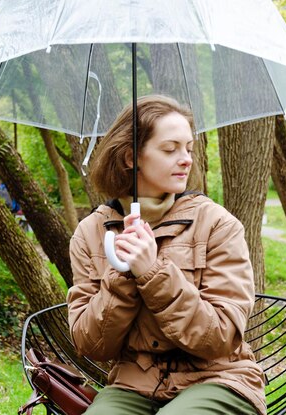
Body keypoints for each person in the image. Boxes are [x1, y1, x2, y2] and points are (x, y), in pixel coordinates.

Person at [67, 95, 265, 415]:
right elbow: (91, 345)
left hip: (218, 379)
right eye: (170, 149)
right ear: (132, 157)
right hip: (133, 384)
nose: (186, 159)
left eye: (188, 148)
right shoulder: (91, 234)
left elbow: (223, 336)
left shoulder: (217, 224)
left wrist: (152, 273)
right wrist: (122, 275)